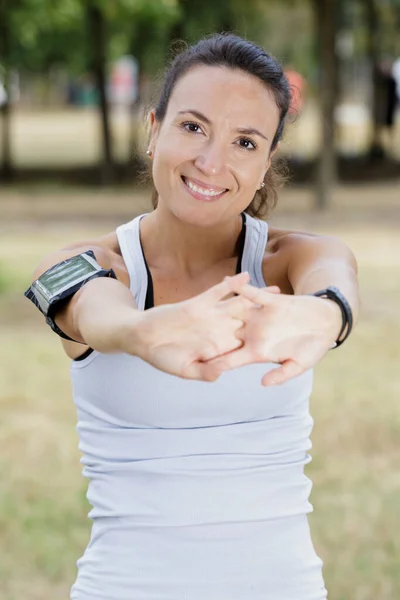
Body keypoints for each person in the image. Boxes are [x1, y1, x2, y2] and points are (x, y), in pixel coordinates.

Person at [26, 34, 359, 600]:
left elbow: (334, 284)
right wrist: (144, 332)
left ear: (267, 163)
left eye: (245, 142)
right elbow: (90, 308)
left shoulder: (293, 261)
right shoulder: (93, 266)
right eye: (193, 127)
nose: (211, 162)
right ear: (154, 130)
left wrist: (326, 317)